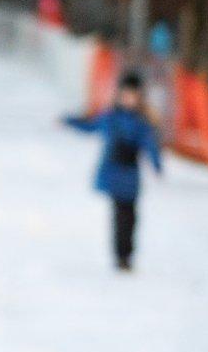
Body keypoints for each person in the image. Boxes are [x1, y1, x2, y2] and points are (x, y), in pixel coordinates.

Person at [64, 71, 163, 272]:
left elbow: (150, 145)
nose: (129, 99)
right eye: (125, 95)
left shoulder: (141, 123)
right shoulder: (110, 118)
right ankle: (121, 257)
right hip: (113, 175)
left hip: (131, 177)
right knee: (120, 216)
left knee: (132, 216)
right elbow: (90, 126)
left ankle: (127, 254)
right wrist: (70, 121)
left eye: (133, 96)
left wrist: (156, 164)